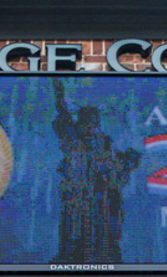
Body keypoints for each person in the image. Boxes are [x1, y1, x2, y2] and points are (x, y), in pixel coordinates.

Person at [52, 79, 140, 263]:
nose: (90, 126)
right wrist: (59, 91)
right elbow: (63, 116)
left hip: (103, 202)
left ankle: (104, 258)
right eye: (86, 122)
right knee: (74, 234)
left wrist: (128, 162)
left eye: (93, 122)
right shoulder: (73, 139)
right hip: (78, 200)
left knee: (103, 236)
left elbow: (118, 172)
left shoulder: (105, 144)